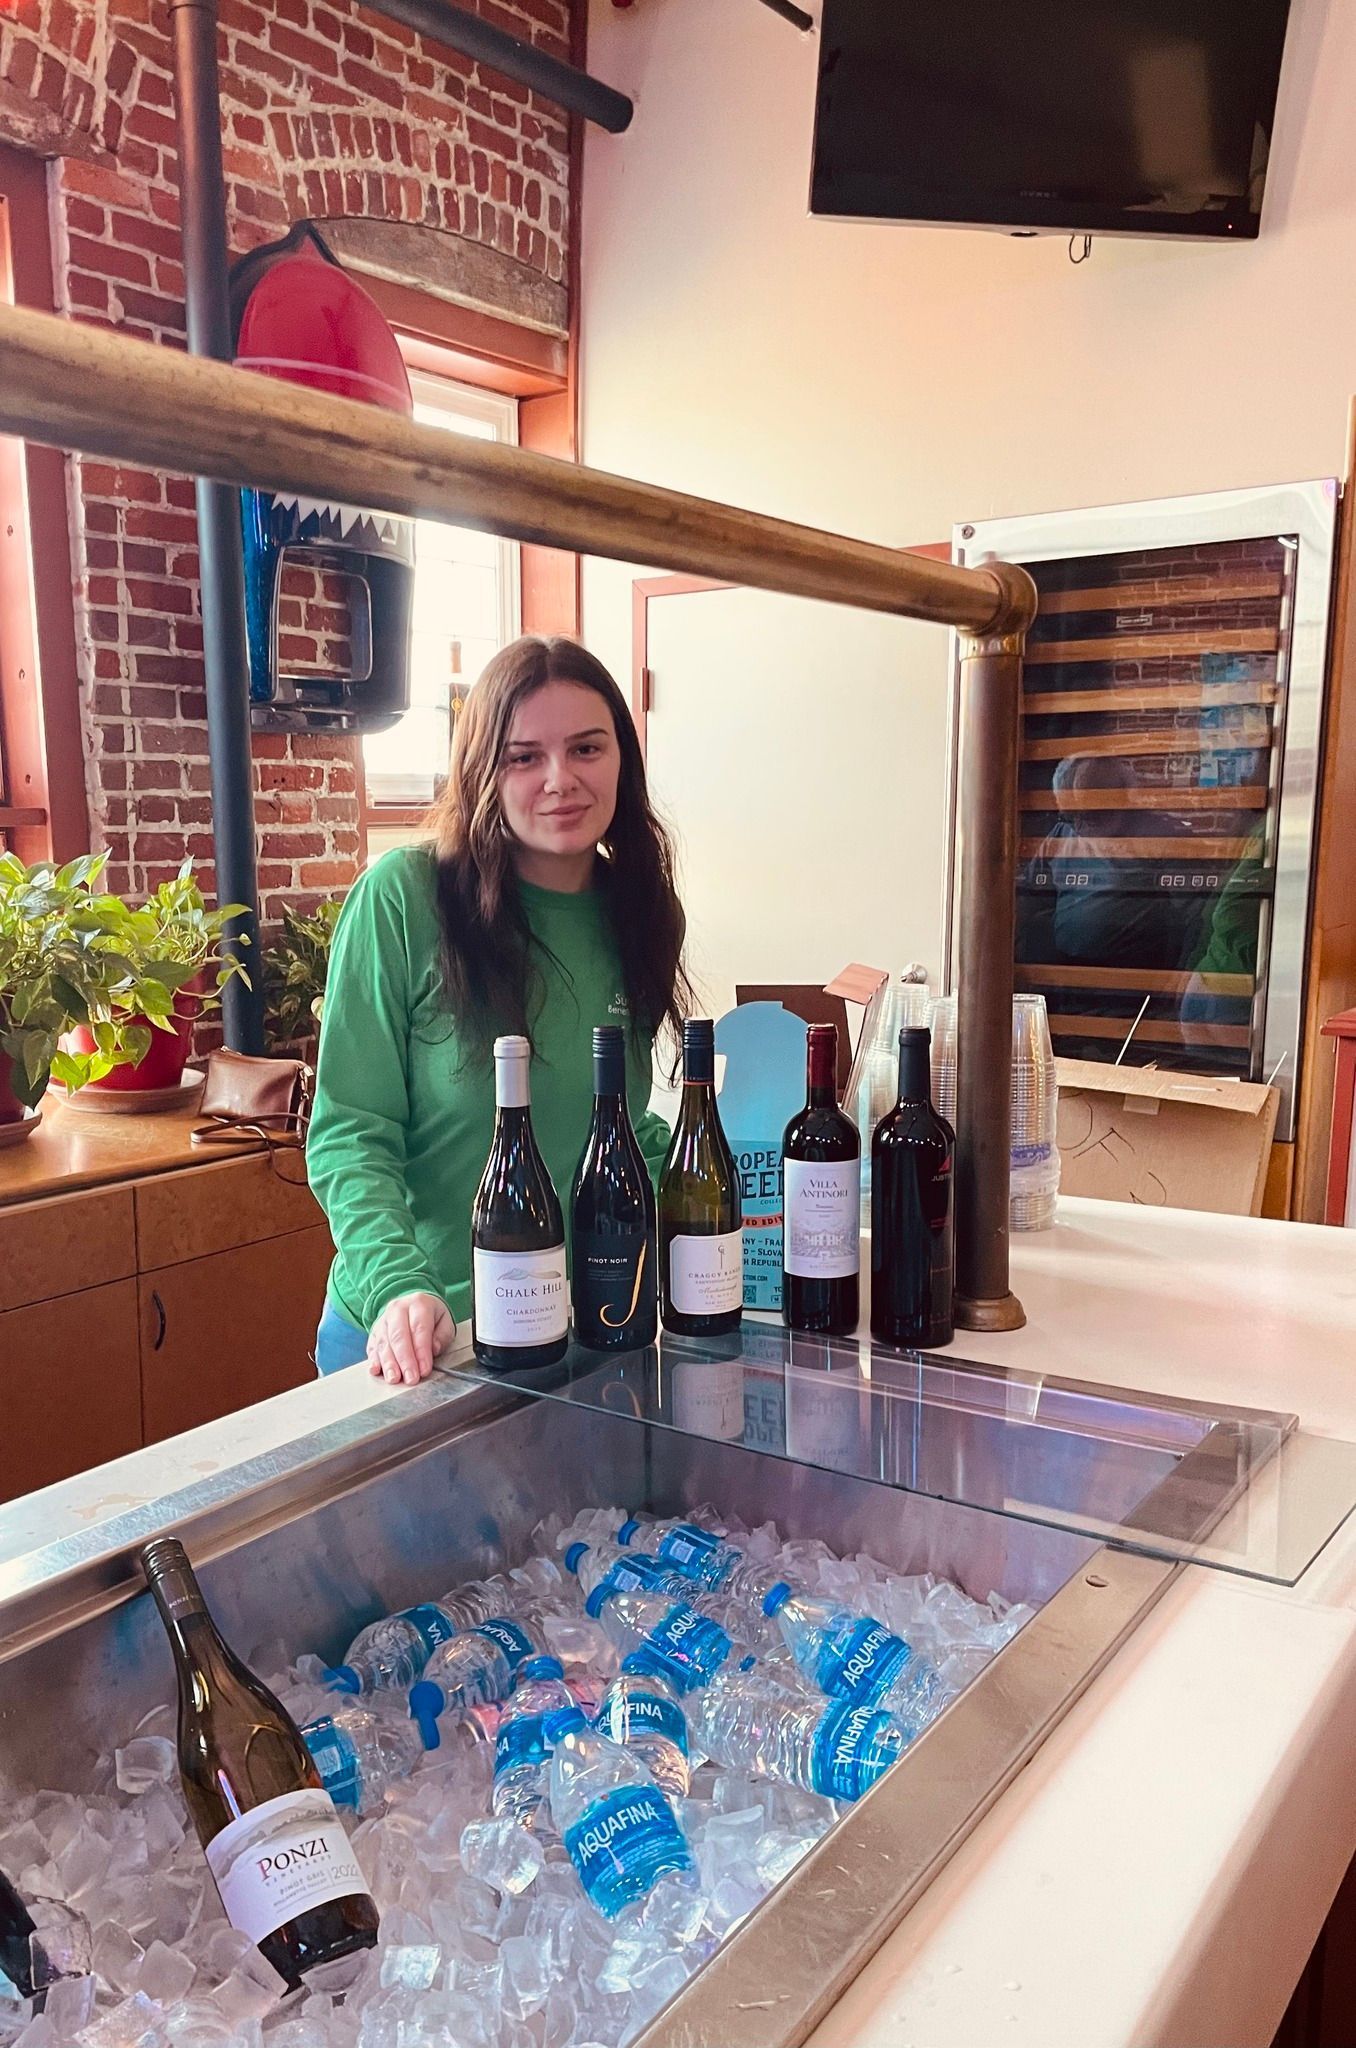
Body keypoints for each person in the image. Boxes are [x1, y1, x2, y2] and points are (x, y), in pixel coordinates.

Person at [307, 635, 691, 1386]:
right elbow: (351, 1131)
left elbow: (617, 1122)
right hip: (421, 1335)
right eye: (523, 757)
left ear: (623, 758)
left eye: (587, 748)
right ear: (481, 769)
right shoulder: (404, 897)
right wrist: (398, 1286)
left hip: (573, 1321)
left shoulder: (643, 912)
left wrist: (723, 1195)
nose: (560, 780)